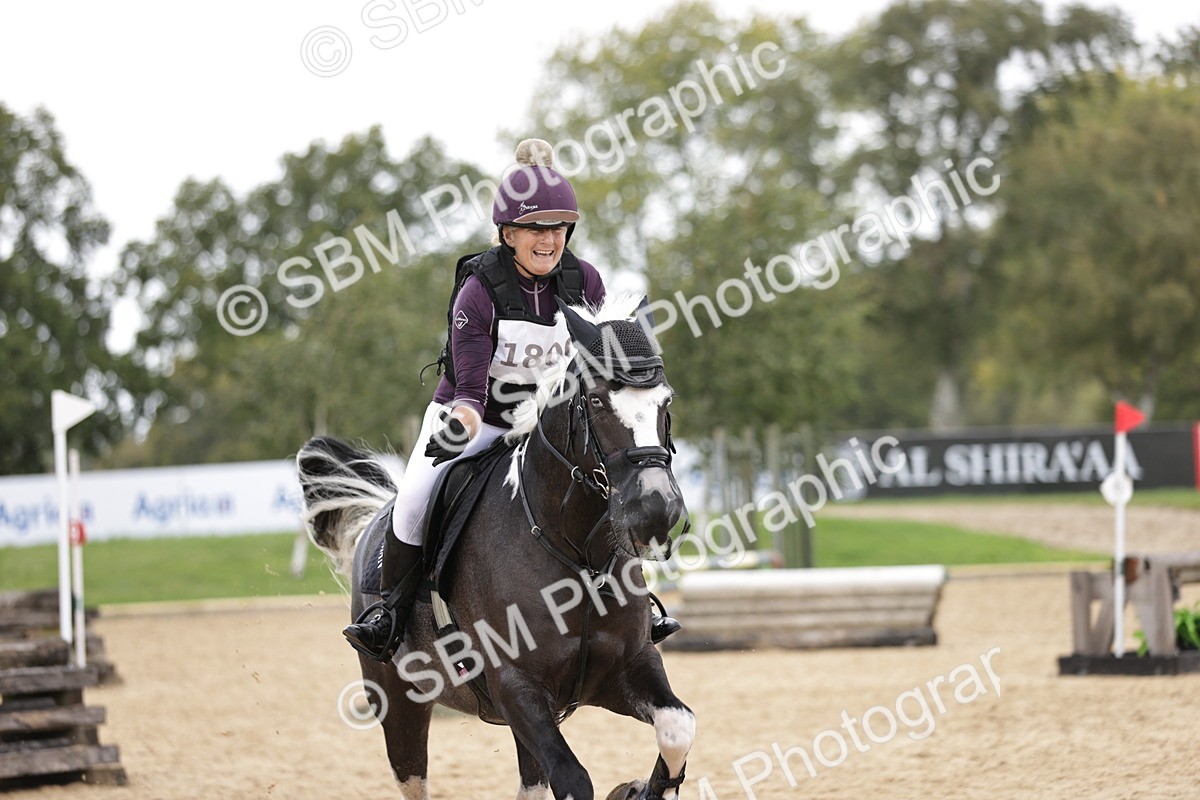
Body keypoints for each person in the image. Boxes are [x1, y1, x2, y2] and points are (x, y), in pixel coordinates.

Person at [343, 139, 680, 662]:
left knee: (613, 482)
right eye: (535, 229)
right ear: (507, 233)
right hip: (475, 416)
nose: (549, 240)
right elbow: (472, 386)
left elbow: (604, 361)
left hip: (548, 423)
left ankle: (638, 605)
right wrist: (461, 423)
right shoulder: (479, 290)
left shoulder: (584, 280)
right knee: (412, 503)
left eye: (558, 229)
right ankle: (389, 613)